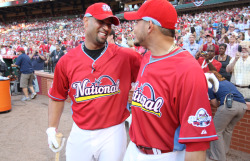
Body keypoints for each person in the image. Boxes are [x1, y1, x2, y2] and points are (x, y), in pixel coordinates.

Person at [123, 0, 218, 161]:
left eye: (137, 21)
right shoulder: (148, 56)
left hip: (165, 156)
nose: (133, 26)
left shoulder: (187, 70)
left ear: (149, 26)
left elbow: (197, 146)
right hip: (133, 149)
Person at [46, 3, 141, 161]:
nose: (106, 27)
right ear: (85, 22)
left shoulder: (127, 56)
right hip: (80, 131)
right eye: (101, 21)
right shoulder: (66, 61)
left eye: (109, 24)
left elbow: (154, 77)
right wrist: (51, 128)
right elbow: (57, 96)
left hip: (114, 132)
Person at [205, 71, 247, 161]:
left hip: (229, 106)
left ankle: (218, 157)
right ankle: (224, 151)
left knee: (215, 131)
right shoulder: (227, 82)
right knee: (228, 129)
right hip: (243, 107)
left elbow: (215, 103)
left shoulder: (210, 85)